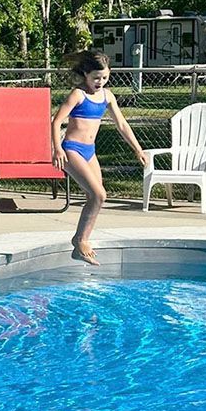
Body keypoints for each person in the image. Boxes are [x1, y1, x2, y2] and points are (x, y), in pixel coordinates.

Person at [51, 50, 146, 267]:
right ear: (85, 74)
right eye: (96, 78)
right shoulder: (78, 95)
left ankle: (80, 240)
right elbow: (56, 122)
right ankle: (81, 240)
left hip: (89, 151)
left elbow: (122, 124)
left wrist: (138, 149)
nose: (100, 82)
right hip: (72, 149)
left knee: (97, 197)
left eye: (104, 77)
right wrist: (58, 150)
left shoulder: (107, 96)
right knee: (99, 194)